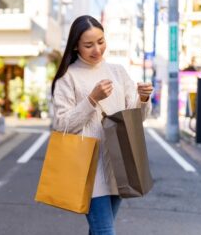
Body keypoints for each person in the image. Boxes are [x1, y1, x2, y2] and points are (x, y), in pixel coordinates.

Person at [51, 15, 153, 235]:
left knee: (100, 229)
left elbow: (135, 119)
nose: (97, 49)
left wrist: (143, 99)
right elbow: (62, 125)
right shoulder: (68, 78)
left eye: (101, 41)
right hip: (88, 167)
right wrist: (92, 99)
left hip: (120, 163)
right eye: (89, 45)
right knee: (105, 231)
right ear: (76, 47)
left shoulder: (118, 72)